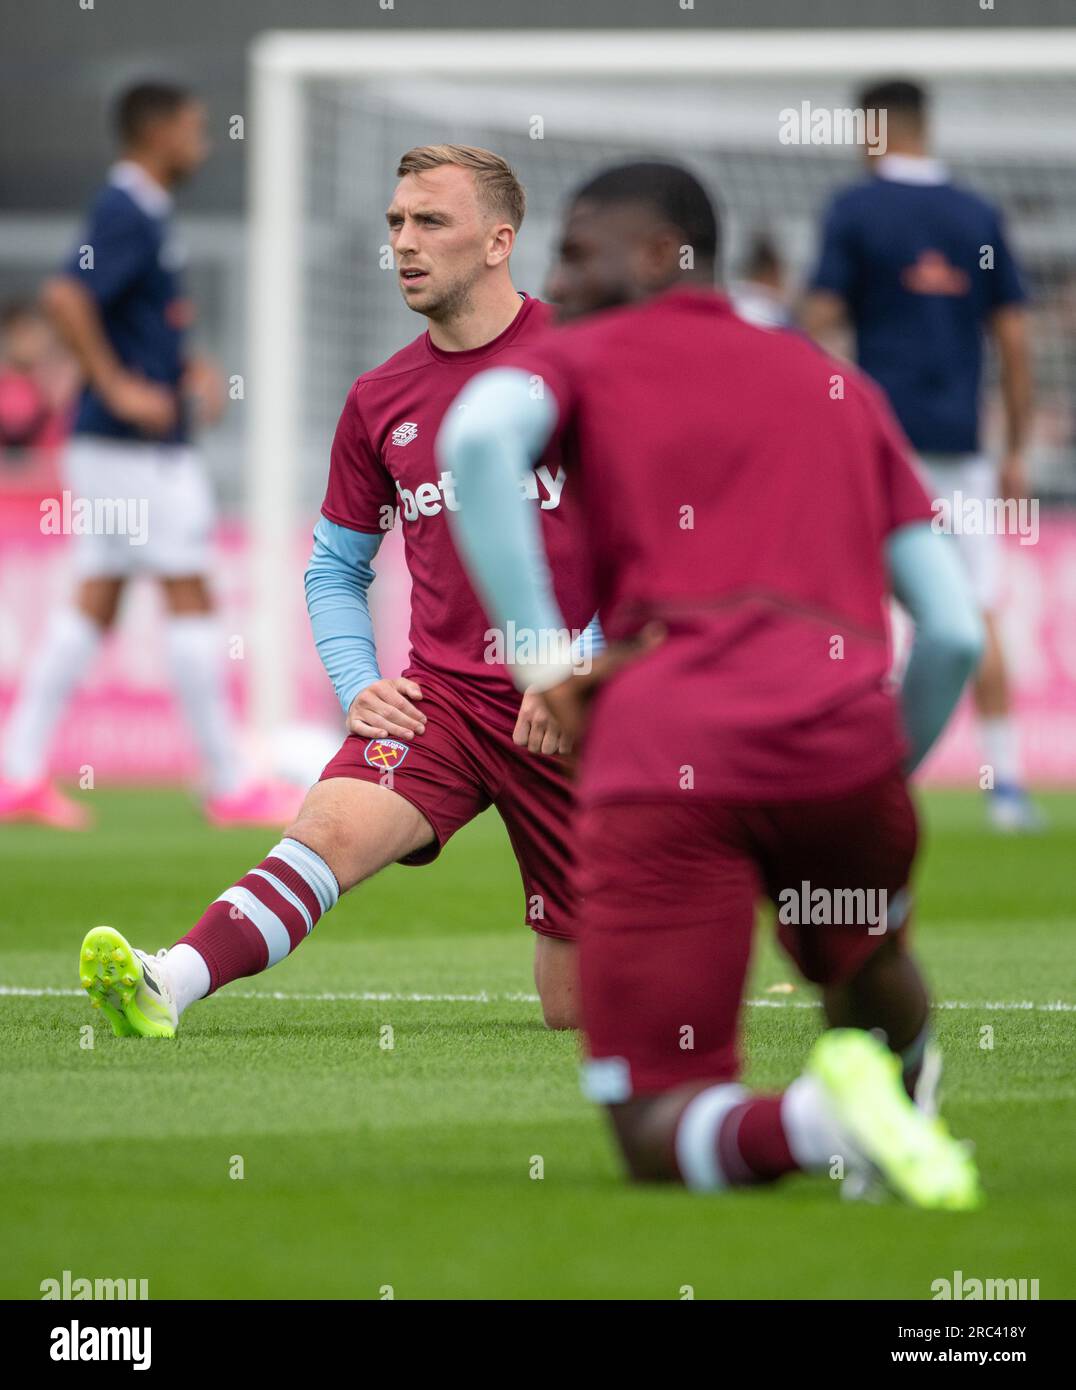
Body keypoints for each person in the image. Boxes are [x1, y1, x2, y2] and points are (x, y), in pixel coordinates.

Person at [440, 161, 983, 1207]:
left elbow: (474, 436)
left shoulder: (584, 355)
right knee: (862, 957)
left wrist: (542, 660)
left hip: (663, 754)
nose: (561, 278)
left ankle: (826, 1122)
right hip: (840, 742)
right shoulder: (837, 383)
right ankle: (903, 1092)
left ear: (657, 255)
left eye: (577, 251)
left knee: (654, 1120)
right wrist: (877, 763)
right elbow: (952, 632)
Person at [77, 145, 598, 1038]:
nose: (404, 243)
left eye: (431, 222)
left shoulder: (586, 365)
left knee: (578, 1015)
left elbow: (669, 540)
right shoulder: (378, 399)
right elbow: (333, 568)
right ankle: (169, 982)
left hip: (584, 708)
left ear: (499, 240)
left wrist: (577, 665)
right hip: (448, 708)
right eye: (396, 223)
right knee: (327, 831)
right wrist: (358, 680)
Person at [0, 82, 297, 830]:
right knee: (189, 592)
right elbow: (69, 298)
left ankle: (17, 773)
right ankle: (231, 783)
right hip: (136, 450)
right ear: (158, 132)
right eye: (195, 128)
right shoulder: (127, 207)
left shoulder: (142, 211)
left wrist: (183, 362)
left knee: (94, 600)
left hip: (115, 450)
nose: (203, 141)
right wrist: (120, 386)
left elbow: (132, 312)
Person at [802, 78, 1039, 832]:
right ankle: (1005, 786)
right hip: (960, 445)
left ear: (871, 129)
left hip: (877, 443)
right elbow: (1013, 337)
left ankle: (846, 774)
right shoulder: (977, 213)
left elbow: (820, 313)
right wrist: (1015, 446)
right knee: (976, 608)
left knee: (855, 606)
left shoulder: (856, 209)